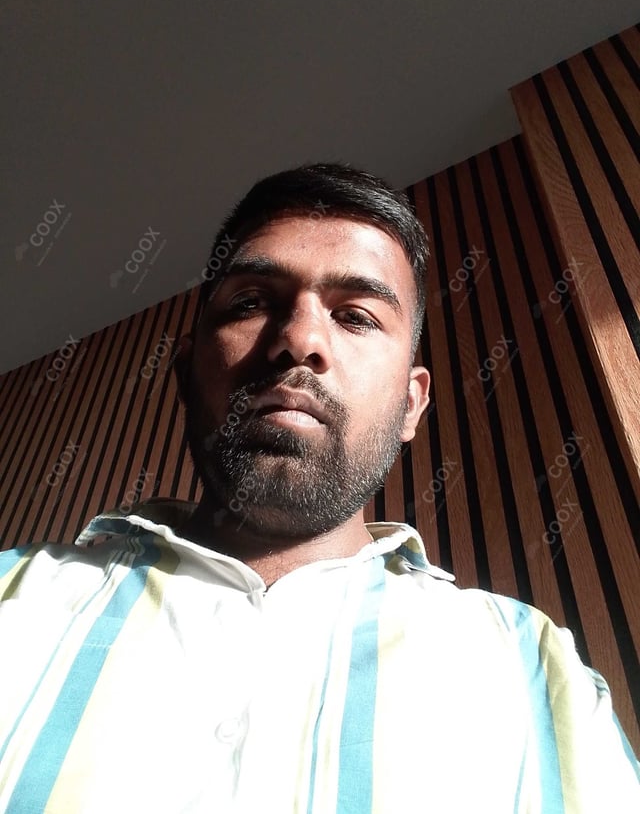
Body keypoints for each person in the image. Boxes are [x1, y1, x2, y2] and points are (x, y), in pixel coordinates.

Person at [0, 163, 638, 813]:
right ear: (185, 372)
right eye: (251, 303)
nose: (300, 340)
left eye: (356, 316)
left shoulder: (534, 668)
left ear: (411, 403)